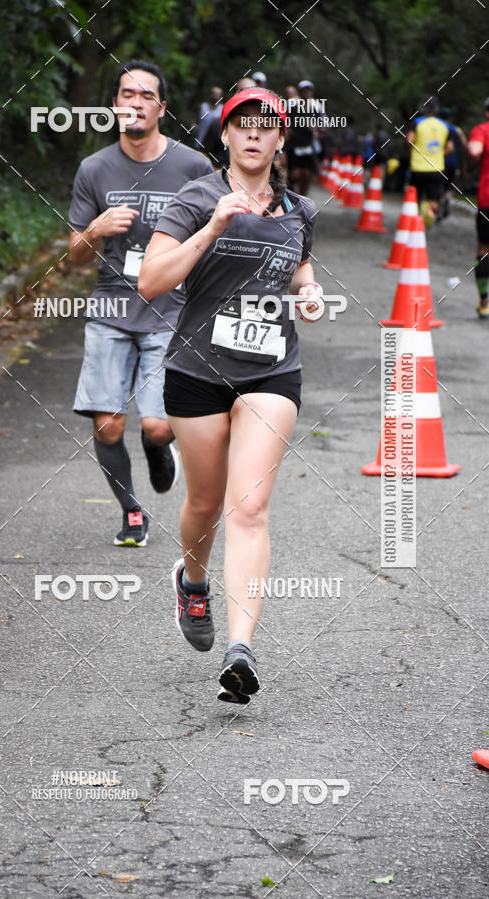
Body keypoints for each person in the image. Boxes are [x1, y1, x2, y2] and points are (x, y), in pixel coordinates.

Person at [138, 87, 323, 703]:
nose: (252, 133)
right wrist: (214, 225)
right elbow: (151, 282)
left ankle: (240, 650)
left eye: (265, 125)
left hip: (272, 370)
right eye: (240, 123)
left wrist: (310, 288)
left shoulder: (298, 209)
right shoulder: (194, 199)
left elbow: (296, 264)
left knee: (249, 508)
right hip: (196, 372)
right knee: (206, 503)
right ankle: (192, 579)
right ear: (223, 136)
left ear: (278, 140)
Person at [68, 59, 213, 546]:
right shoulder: (94, 168)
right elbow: (73, 256)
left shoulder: (192, 166)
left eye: (146, 96)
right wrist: (95, 229)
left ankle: (158, 448)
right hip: (110, 310)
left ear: (161, 108)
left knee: (156, 426)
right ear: (114, 105)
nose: (135, 102)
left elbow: (216, 236)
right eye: (127, 94)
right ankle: (132, 511)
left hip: (171, 312)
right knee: (108, 426)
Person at [406, 96, 453, 227]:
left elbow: (409, 140)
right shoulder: (444, 125)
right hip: (436, 168)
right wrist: (439, 154)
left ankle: (414, 220)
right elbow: (450, 147)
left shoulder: (417, 122)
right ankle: (429, 215)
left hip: (418, 167)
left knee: (415, 197)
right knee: (434, 198)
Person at [202, 77, 257, 168]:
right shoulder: (218, 124)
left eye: (252, 95)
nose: (247, 99)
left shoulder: (264, 129)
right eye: (242, 93)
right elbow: (204, 153)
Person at [280, 79, 320, 195]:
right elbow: (283, 122)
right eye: (304, 91)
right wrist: (288, 130)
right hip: (294, 145)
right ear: (300, 92)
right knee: (294, 175)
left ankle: (303, 199)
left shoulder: (315, 109)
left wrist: (316, 129)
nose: (306, 93)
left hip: (308, 146)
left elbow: (322, 126)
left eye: (308, 90)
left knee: (307, 175)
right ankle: (292, 195)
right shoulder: (292, 108)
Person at [468, 98, 489, 319]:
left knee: (484, 249)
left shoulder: (482, 130)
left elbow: (475, 150)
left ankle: (484, 301)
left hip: (487, 200)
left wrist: (472, 162)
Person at [195, 85, 223, 149]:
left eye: (217, 94)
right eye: (214, 94)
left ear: (221, 96)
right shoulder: (202, 107)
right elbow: (195, 122)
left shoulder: (223, 110)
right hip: (199, 141)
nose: (215, 96)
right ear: (210, 94)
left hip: (213, 146)